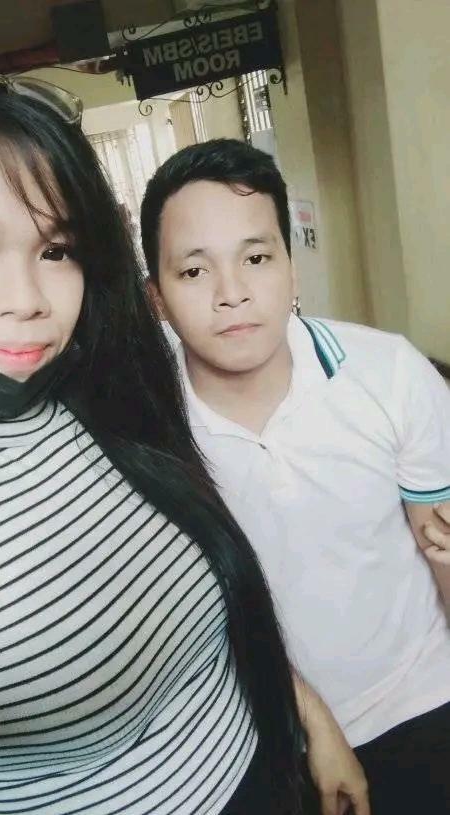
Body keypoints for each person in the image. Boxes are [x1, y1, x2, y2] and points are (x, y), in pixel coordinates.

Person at [0, 63, 309, 815]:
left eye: (55, 250)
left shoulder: (117, 402)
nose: (26, 300)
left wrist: (313, 722)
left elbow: (228, 625)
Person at [141, 138, 450, 815]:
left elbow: (442, 550)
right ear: (156, 298)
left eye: (256, 258)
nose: (232, 294)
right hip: (253, 734)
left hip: (422, 698)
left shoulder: (390, 374)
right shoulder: (148, 428)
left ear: (291, 266)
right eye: (194, 271)